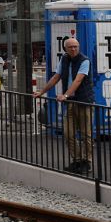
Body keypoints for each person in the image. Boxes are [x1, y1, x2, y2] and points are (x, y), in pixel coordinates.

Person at [33, 37, 93, 174]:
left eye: (75, 46)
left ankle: (87, 162)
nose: (73, 49)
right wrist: (41, 92)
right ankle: (77, 160)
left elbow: (78, 81)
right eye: (70, 47)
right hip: (70, 102)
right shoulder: (65, 59)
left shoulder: (85, 61)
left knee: (86, 134)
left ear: (79, 47)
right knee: (68, 133)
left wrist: (65, 95)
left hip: (83, 101)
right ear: (65, 48)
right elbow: (56, 77)